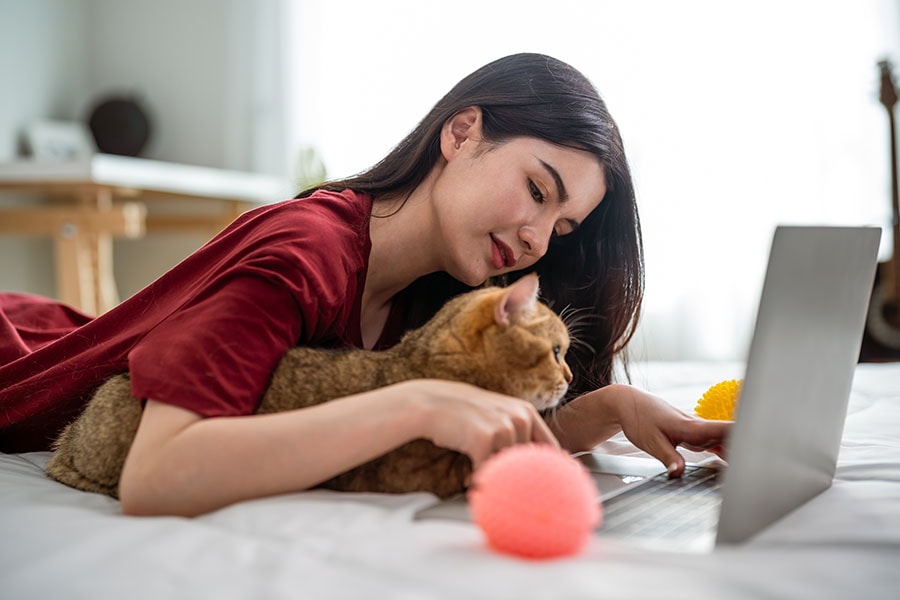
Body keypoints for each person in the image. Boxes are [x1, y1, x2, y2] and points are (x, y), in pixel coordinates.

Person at [0, 53, 729, 517]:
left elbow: (464, 428)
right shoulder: (306, 252)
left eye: (562, 228)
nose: (539, 239)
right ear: (462, 132)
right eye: (538, 191)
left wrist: (609, 407)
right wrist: (412, 404)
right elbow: (157, 475)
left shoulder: (434, 287)